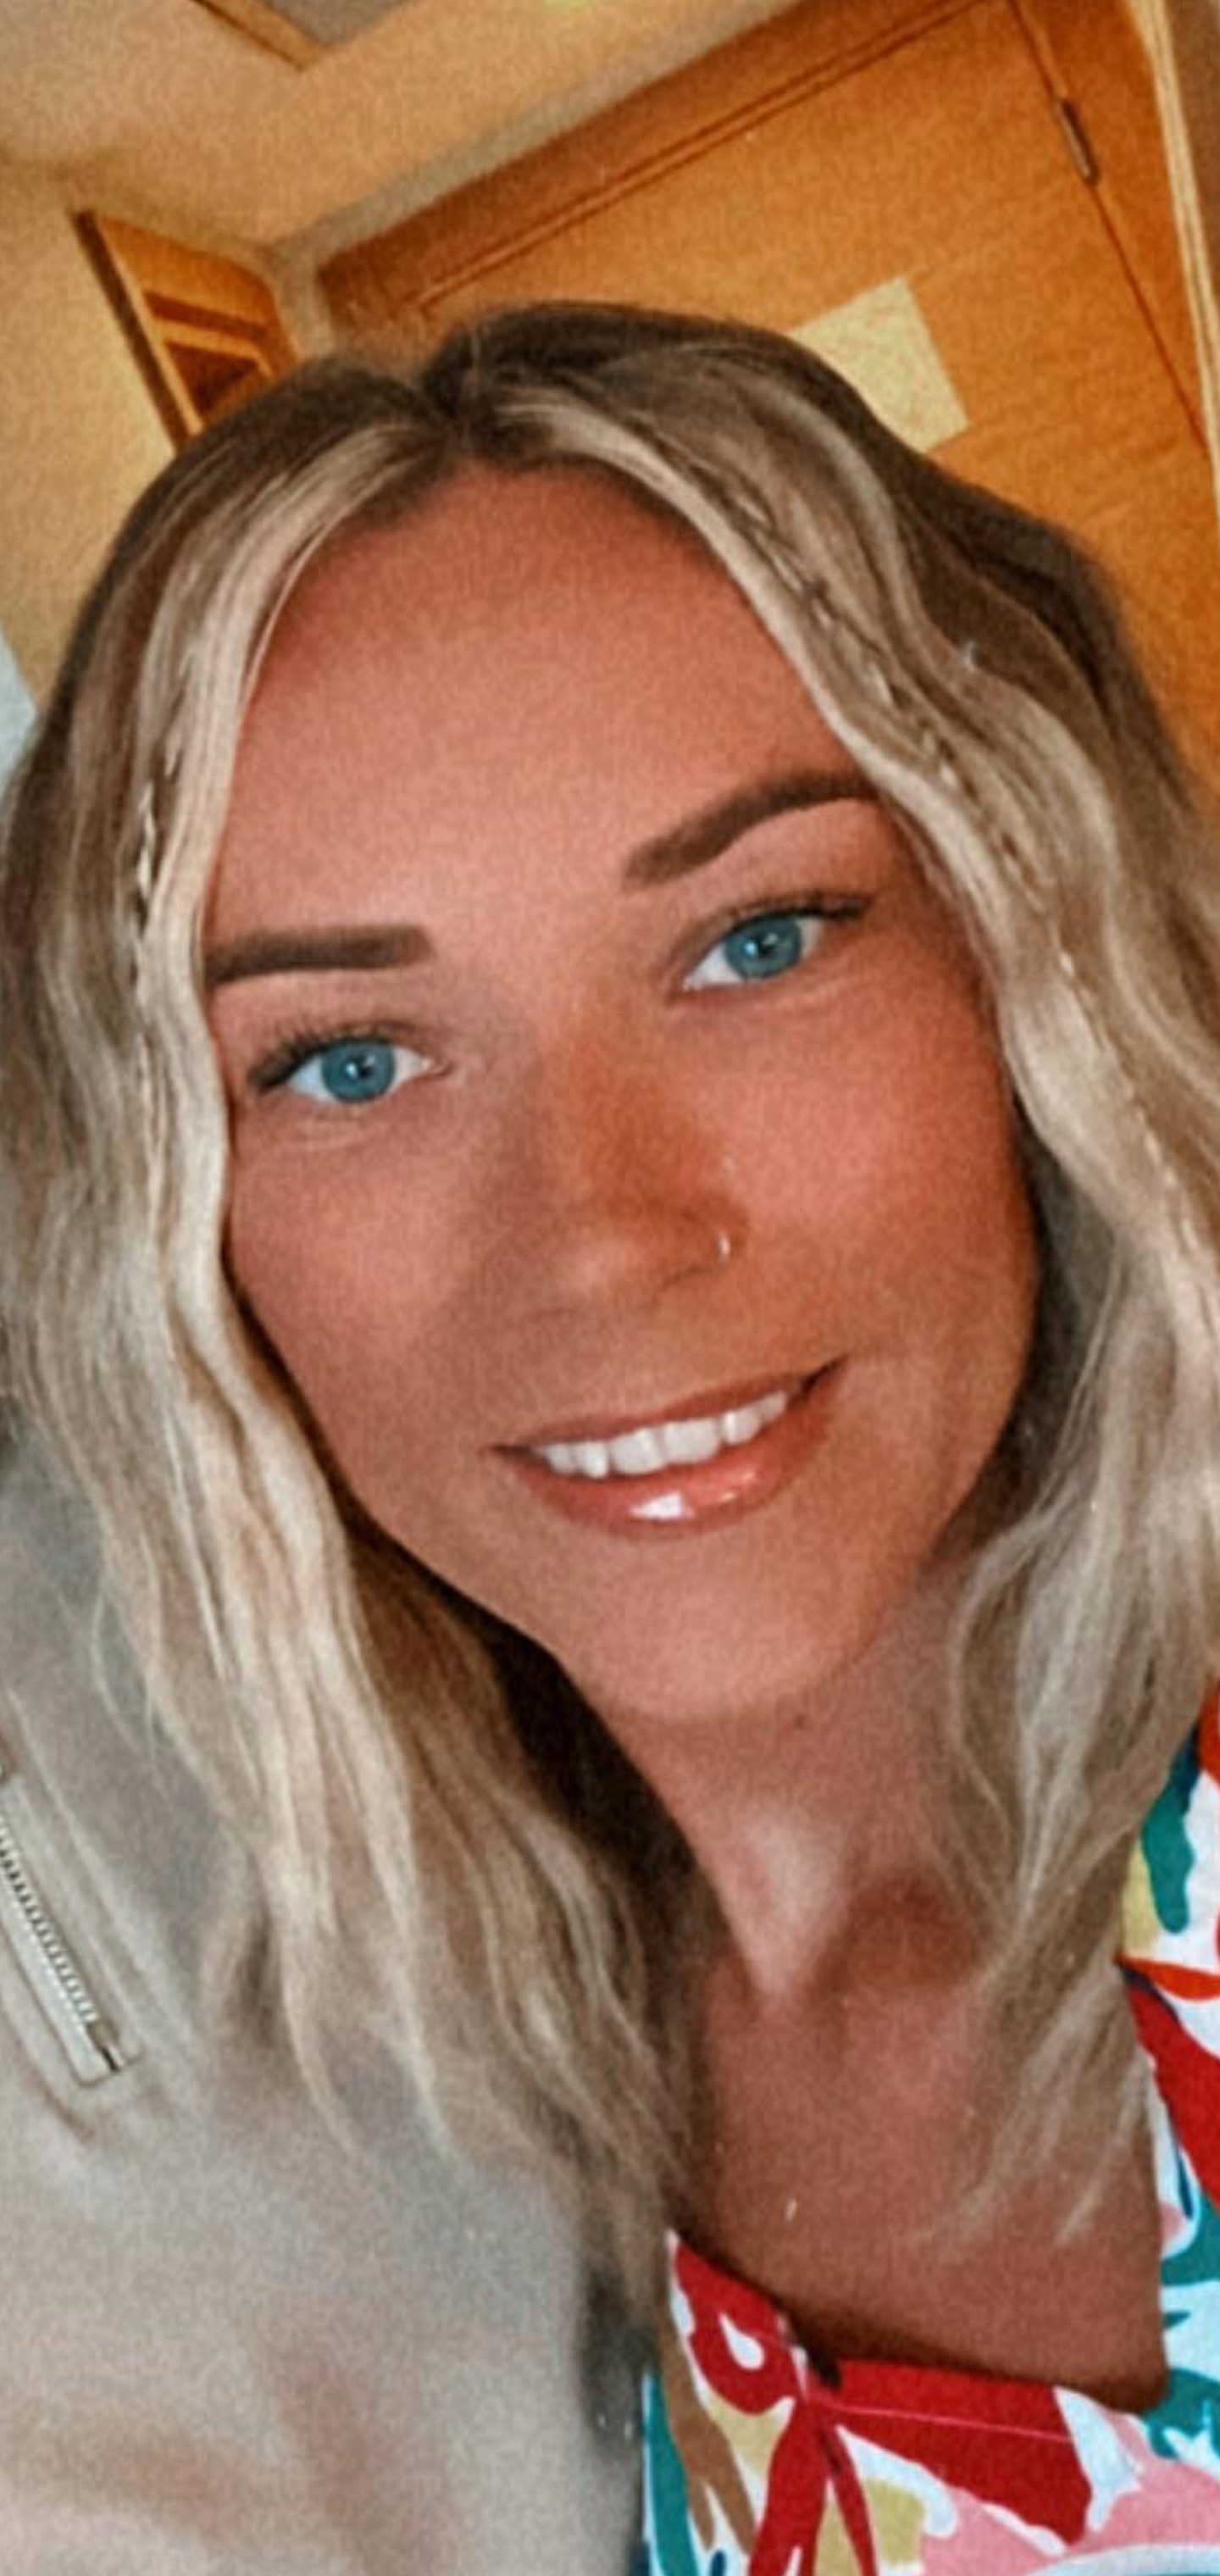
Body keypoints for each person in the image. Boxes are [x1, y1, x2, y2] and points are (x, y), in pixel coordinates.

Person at [2, 301, 1219, 2573]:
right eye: (349, 1062)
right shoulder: (511, 2056)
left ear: (1030, 970)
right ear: (186, 1244)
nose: (599, 1241)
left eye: (764, 939)